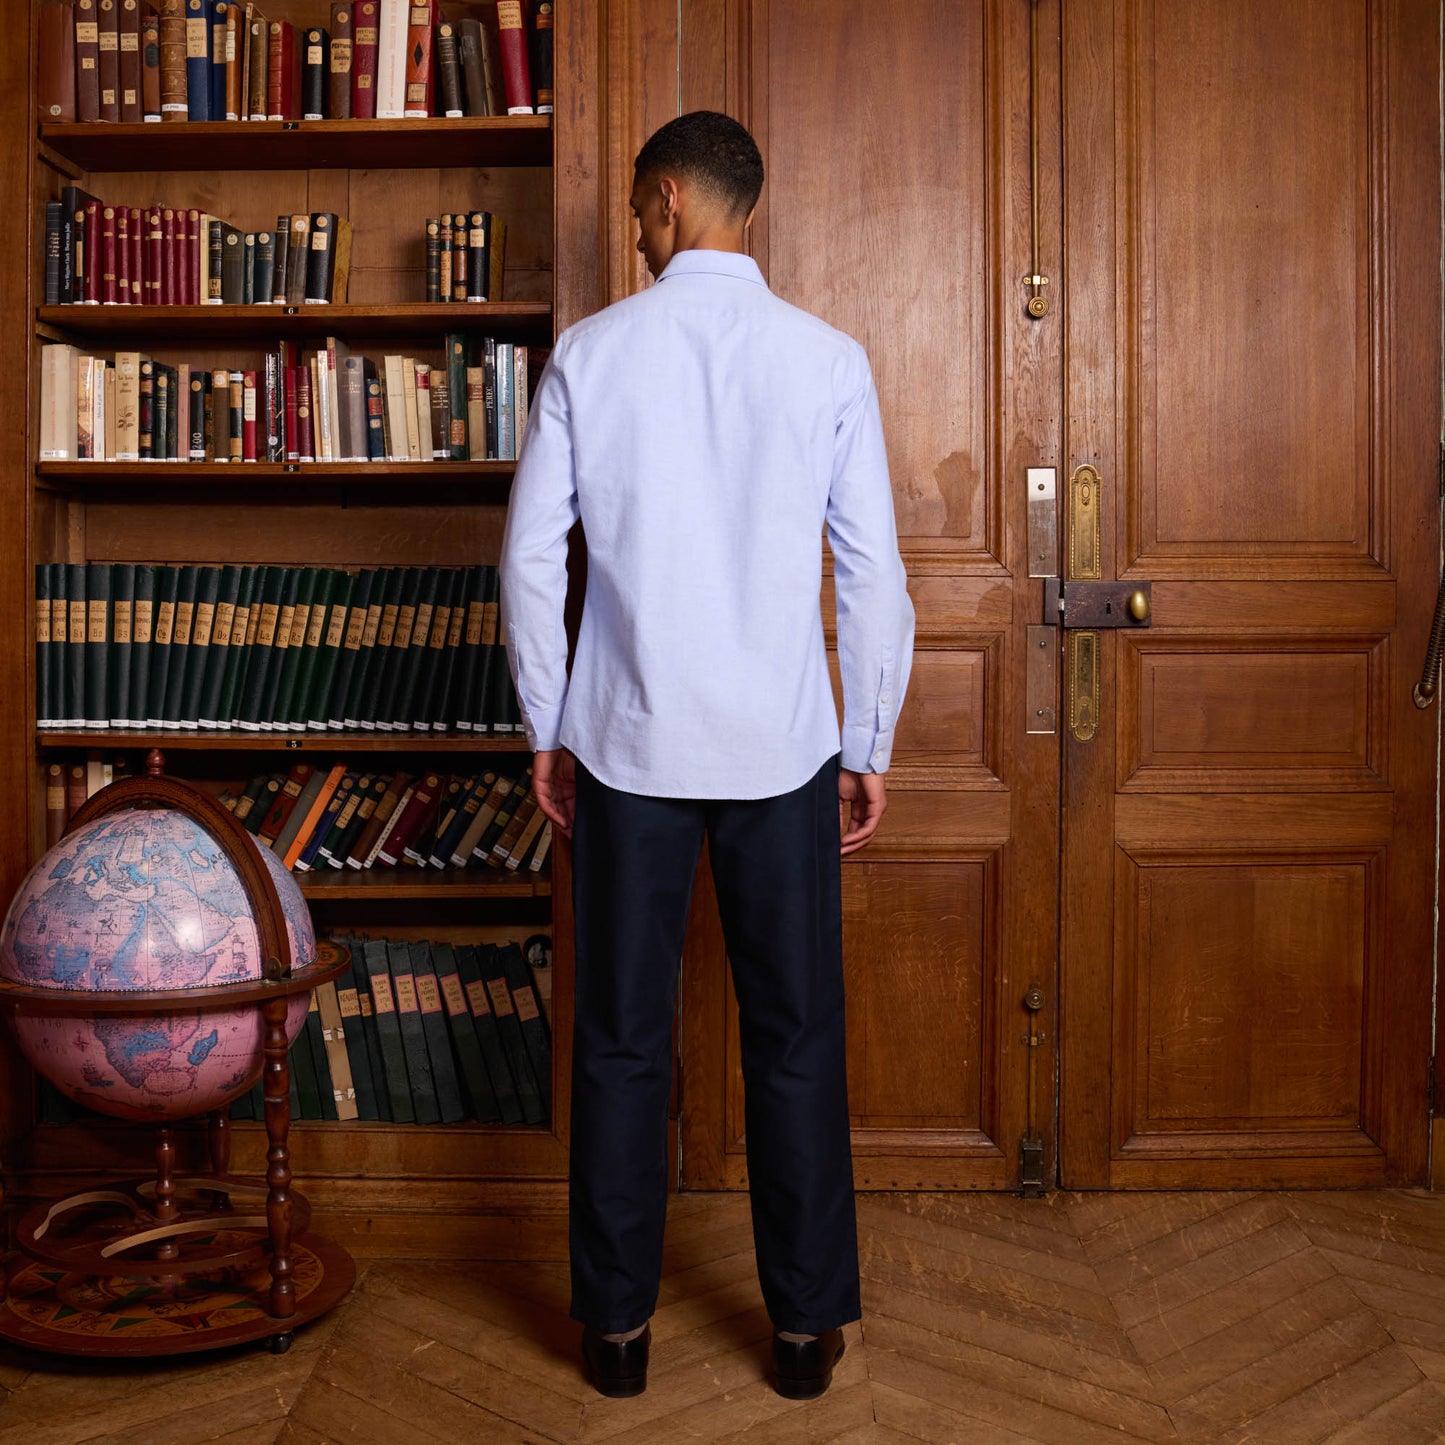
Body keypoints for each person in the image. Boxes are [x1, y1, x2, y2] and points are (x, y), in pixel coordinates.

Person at [499, 110, 914, 1401]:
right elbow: (872, 573)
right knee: (794, 1036)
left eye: (637, 207)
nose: (632, 229)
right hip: (782, 751)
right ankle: (800, 1335)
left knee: (620, 1038)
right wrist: (867, 738)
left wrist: (545, 724)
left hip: (623, 743)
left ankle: (614, 1335)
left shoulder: (591, 351)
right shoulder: (827, 358)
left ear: (667, 197)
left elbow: (527, 560)